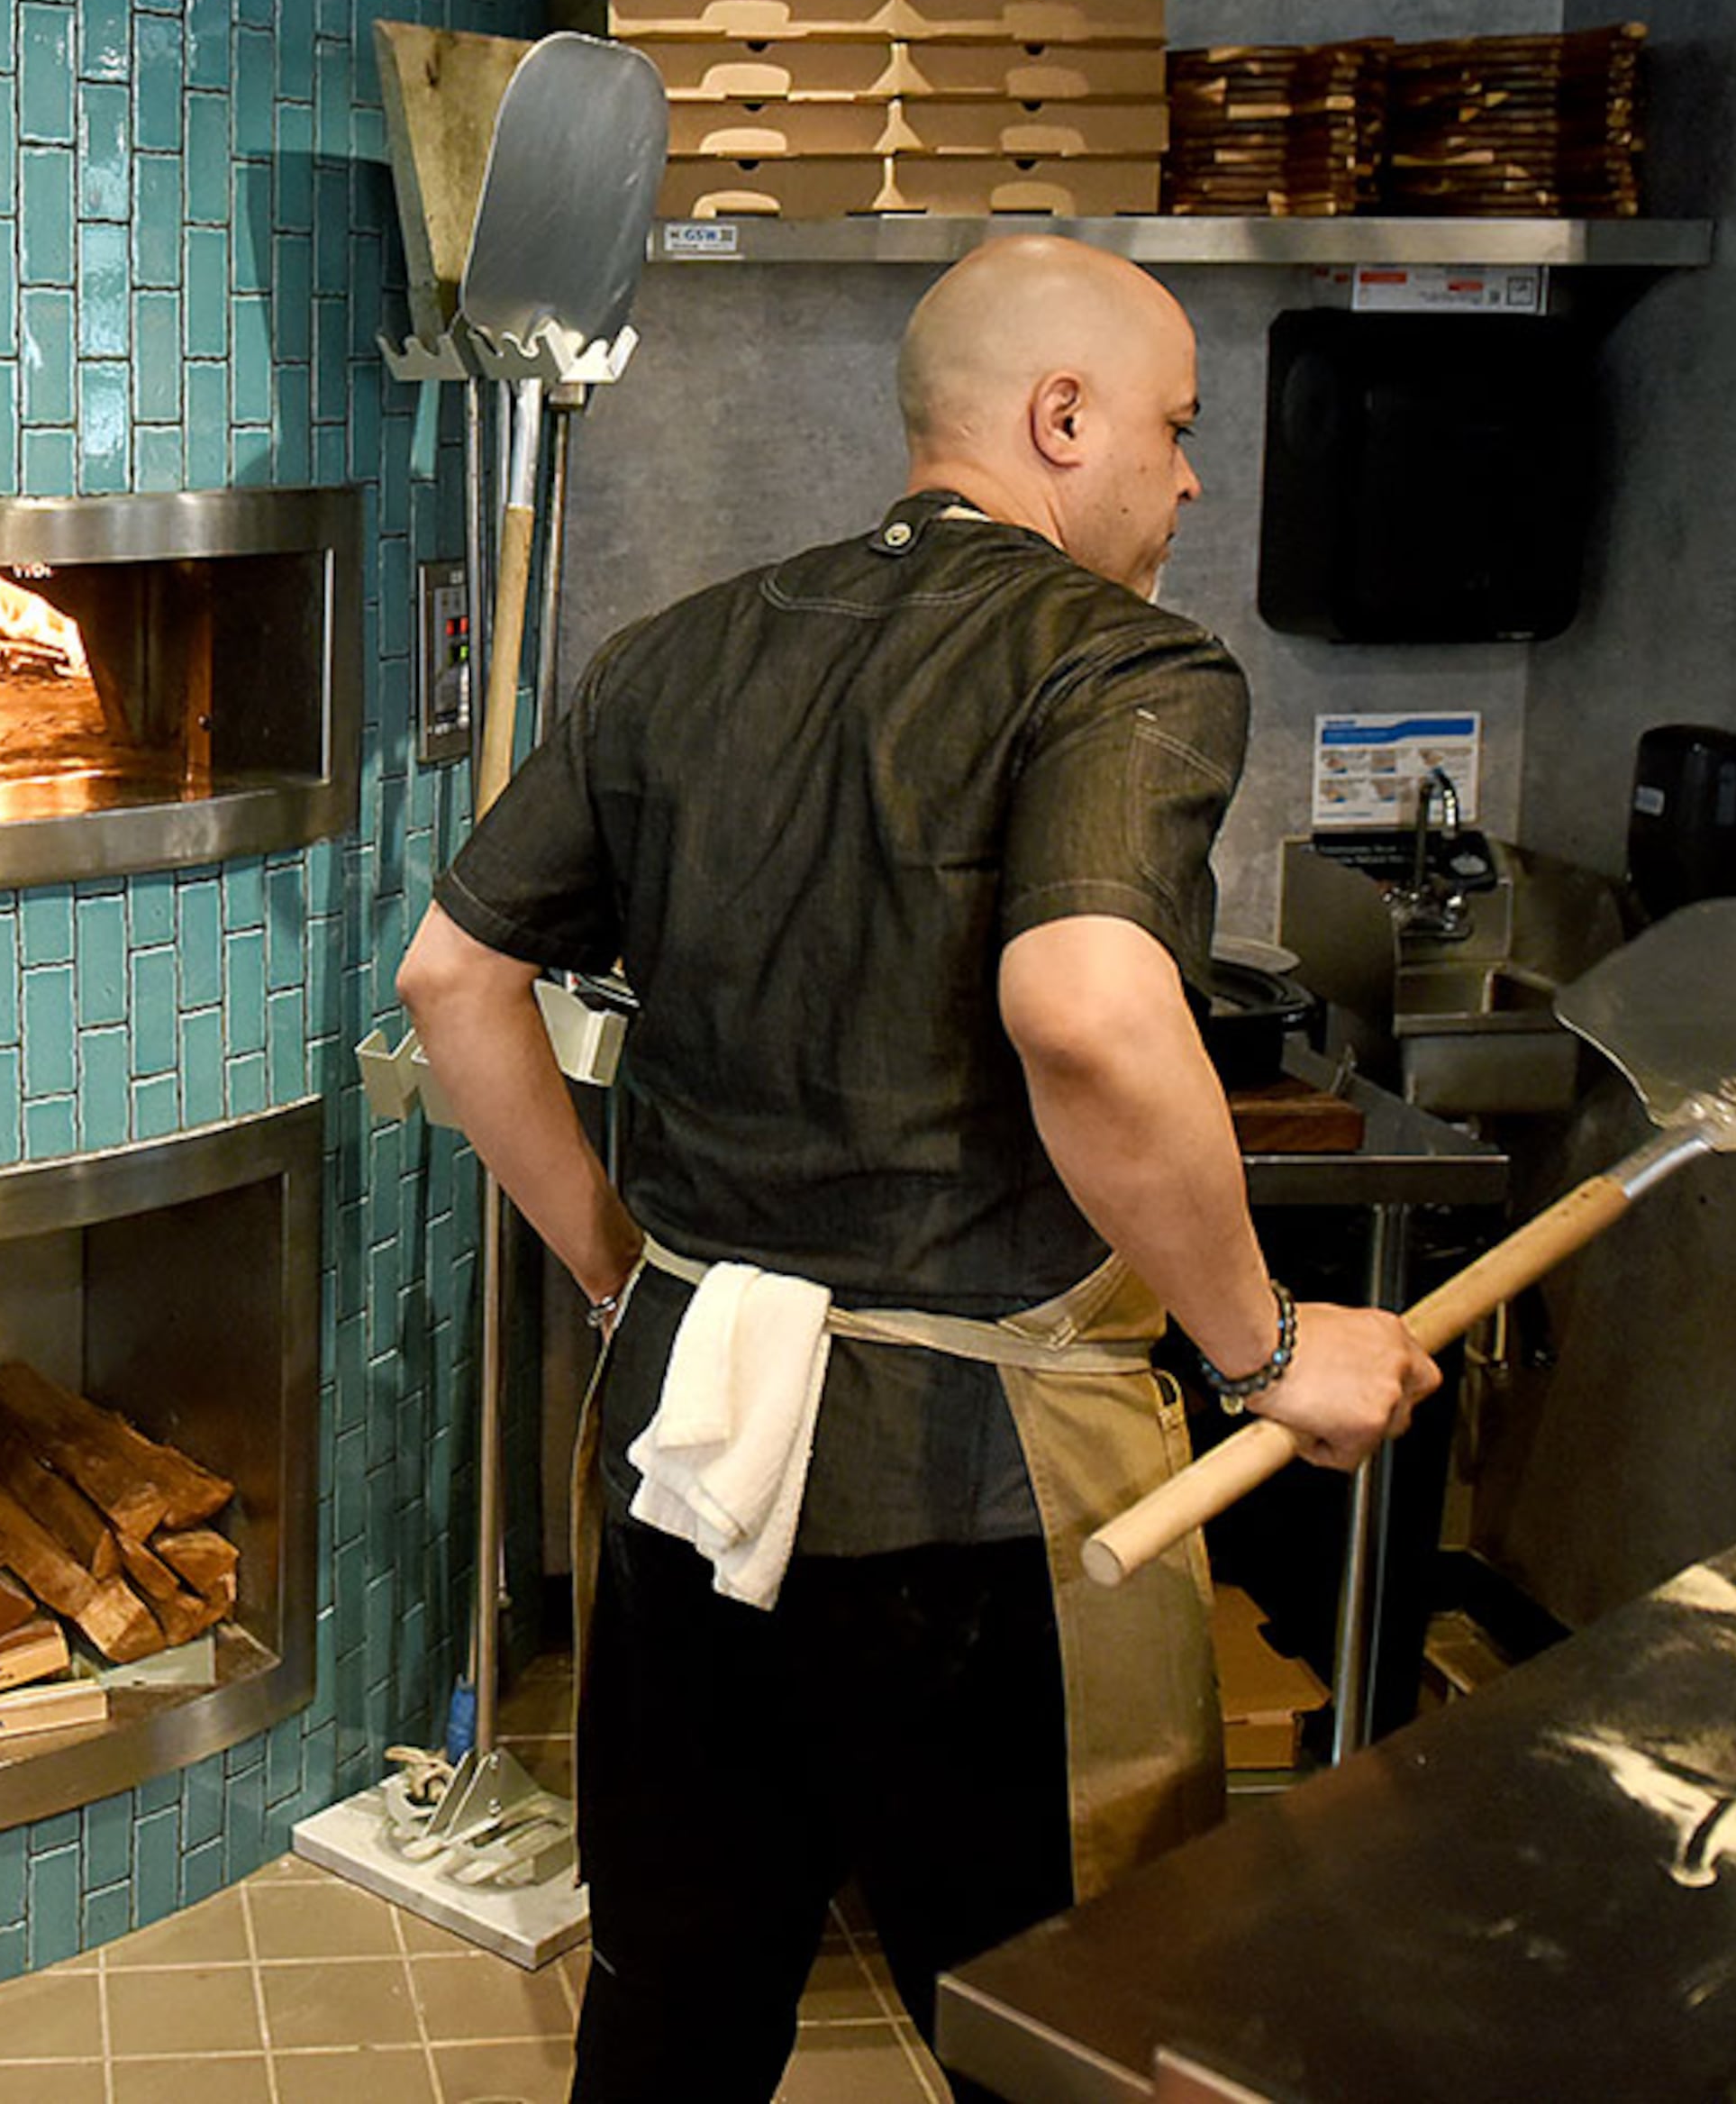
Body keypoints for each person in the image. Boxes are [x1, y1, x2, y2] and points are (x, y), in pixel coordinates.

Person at [395, 237, 1441, 2101]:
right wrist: (1266, 1347)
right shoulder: (1126, 669)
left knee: (673, 2023)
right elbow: (1093, 1009)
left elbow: (451, 975)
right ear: (1059, 418)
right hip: (973, 1521)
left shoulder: (677, 651)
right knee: (1070, 2039)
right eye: (1175, 426)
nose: (1192, 477)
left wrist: (620, 1268)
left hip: (682, 1464)